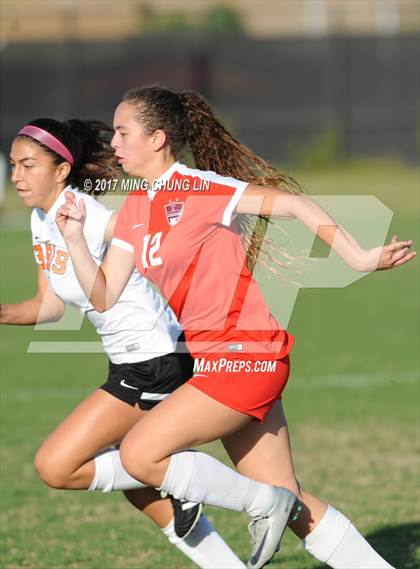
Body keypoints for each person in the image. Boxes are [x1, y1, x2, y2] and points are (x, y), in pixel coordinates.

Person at [56, 86, 415, 569]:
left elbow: (291, 204)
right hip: (219, 364)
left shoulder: (198, 188)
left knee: (140, 454)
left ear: (158, 138)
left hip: (247, 355)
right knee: (293, 501)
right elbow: (103, 295)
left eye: (123, 132)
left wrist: (358, 257)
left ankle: (260, 502)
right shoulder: (138, 209)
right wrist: (76, 238)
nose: (115, 143)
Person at [1, 117, 249, 569]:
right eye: (14, 165)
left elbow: (149, 233)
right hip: (130, 363)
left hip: (156, 358)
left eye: (28, 165)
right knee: (139, 490)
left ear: (61, 170)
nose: (16, 175)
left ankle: (193, 480)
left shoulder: (88, 214)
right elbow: (49, 307)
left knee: (57, 466)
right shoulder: (42, 220)